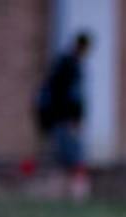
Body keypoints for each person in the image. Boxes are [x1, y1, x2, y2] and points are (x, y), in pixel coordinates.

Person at [35, 31, 92, 201]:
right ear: (81, 47)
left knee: (66, 155)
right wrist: (74, 119)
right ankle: (75, 193)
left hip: (60, 120)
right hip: (64, 120)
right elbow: (72, 97)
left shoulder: (64, 64)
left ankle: (68, 192)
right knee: (73, 155)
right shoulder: (70, 66)